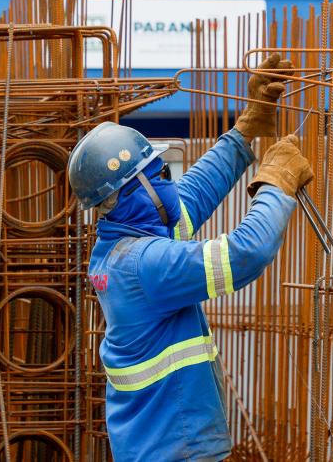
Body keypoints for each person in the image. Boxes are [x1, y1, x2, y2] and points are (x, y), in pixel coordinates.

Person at [66, 54, 313, 461]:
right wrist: (277, 183)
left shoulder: (122, 245)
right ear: (136, 186)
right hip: (177, 450)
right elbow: (245, 254)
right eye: (159, 172)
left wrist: (245, 130)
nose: (168, 179)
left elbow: (192, 196)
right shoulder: (145, 265)